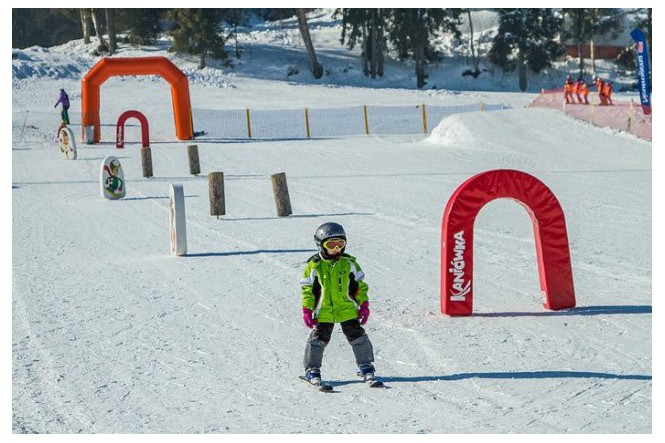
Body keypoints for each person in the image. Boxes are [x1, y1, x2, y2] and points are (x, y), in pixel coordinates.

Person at [300, 222, 377, 385]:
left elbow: (359, 285)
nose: (336, 249)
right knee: (318, 339)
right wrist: (307, 309)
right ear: (320, 245)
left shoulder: (349, 263)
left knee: (358, 336)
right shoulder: (314, 265)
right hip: (324, 310)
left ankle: (366, 366)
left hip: (347, 308)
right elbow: (308, 289)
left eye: (340, 244)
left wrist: (364, 304)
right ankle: (312, 369)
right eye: (331, 245)